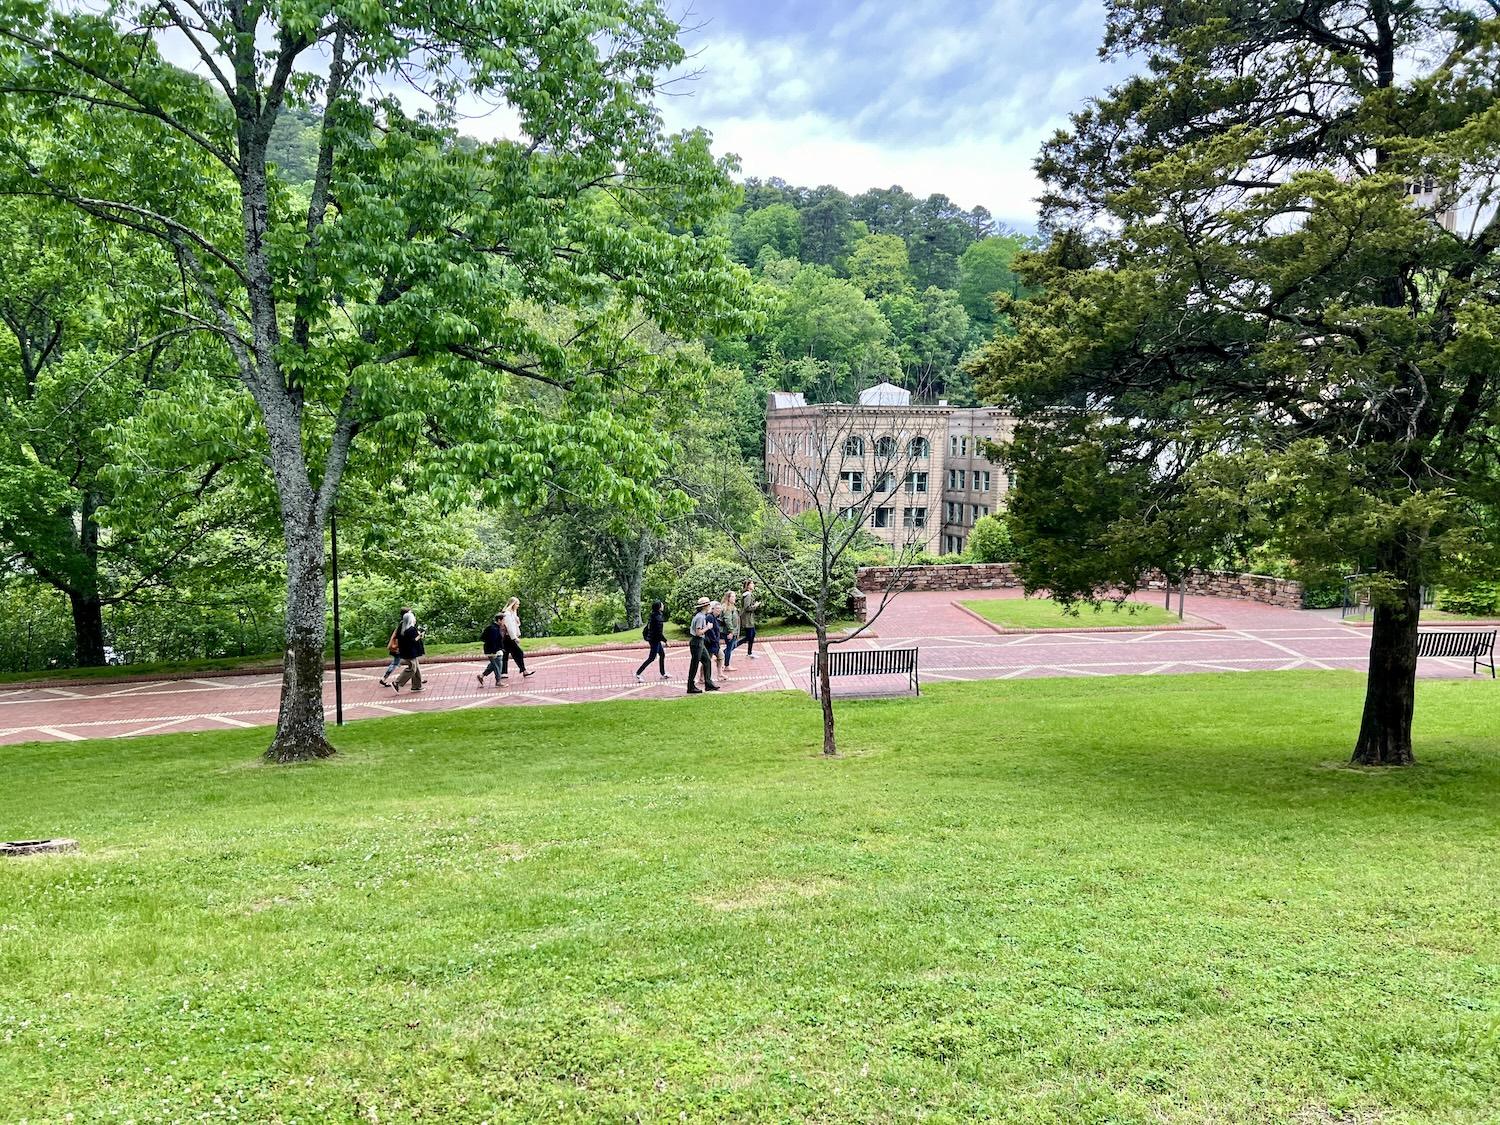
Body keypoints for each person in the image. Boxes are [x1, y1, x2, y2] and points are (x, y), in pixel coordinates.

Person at [686, 596, 718, 694]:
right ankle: (691, 686)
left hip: (699, 642)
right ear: (705, 606)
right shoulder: (700, 617)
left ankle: (708, 683)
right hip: (697, 642)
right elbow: (698, 632)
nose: (710, 606)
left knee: (707, 661)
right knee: (694, 665)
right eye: (708, 605)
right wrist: (708, 627)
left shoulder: (701, 615)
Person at [497, 597, 534, 680]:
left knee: (506, 655)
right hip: (508, 637)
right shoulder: (507, 614)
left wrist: (516, 617)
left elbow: (517, 625)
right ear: (513, 604)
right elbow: (509, 627)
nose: (518, 606)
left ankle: (504, 672)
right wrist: (514, 638)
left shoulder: (512, 613)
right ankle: (523, 670)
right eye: (517, 604)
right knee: (519, 653)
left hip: (509, 637)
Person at [391, 609, 425, 693]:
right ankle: (397, 682)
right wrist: (420, 635)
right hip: (411, 652)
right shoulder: (411, 629)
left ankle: (417, 686)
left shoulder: (401, 628)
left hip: (404, 651)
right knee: (412, 669)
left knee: (416, 668)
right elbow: (414, 640)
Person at [635, 601, 670, 683]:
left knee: (662, 654)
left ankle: (663, 673)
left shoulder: (654, 615)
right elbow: (659, 633)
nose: (663, 606)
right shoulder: (658, 618)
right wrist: (666, 641)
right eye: (662, 605)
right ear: (659, 607)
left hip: (654, 639)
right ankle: (638, 673)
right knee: (651, 658)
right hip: (654, 640)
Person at [378, 607, 409, 686]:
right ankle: (384, 678)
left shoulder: (403, 623)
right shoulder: (403, 624)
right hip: (398, 648)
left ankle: (384, 678)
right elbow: (400, 637)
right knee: (409, 663)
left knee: (410, 663)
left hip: (398, 648)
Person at [477, 613, 506, 687]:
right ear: (499, 620)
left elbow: (483, 637)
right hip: (492, 651)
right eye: (503, 620)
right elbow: (493, 641)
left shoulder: (494, 627)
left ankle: (481, 676)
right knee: (497, 666)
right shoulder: (493, 629)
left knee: (493, 665)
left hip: (495, 650)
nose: (504, 622)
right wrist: (494, 652)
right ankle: (498, 682)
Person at [720, 590, 741, 672]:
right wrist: (731, 632)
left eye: (734, 596)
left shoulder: (731, 606)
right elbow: (728, 620)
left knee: (732, 646)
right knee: (729, 648)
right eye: (732, 596)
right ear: (728, 598)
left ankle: (721, 656)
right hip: (729, 632)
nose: (734, 598)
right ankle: (726, 665)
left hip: (731, 631)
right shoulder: (727, 608)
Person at [740, 580, 760, 660]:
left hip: (749, 618)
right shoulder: (747, 595)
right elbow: (747, 608)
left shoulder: (748, 594)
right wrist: (755, 606)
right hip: (747, 619)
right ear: (748, 586)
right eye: (752, 584)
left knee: (752, 635)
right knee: (749, 636)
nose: (753, 585)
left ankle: (749, 652)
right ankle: (733, 647)